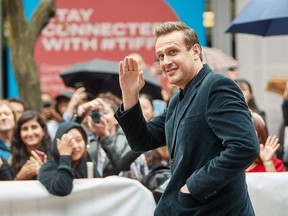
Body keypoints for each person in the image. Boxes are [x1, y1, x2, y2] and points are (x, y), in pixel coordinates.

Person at [115, 21, 259, 215]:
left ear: (196, 51)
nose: (165, 62)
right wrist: (130, 95)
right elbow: (142, 140)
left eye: (173, 52)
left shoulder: (217, 85)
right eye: (161, 56)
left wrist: (193, 187)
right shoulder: (177, 100)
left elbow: (245, 147)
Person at [38, 122, 100, 196]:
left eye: (78, 140)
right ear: (58, 143)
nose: (75, 146)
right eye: (68, 142)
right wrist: (65, 156)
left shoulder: (89, 166)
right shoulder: (48, 168)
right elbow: (63, 189)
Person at [10, 110, 52, 180]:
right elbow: (6, 189)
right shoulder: (12, 159)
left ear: (43, 131)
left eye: (34, 127)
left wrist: (43, 171)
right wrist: (20, 177)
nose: (30, 133)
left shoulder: (56, 155)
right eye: (25, 129)